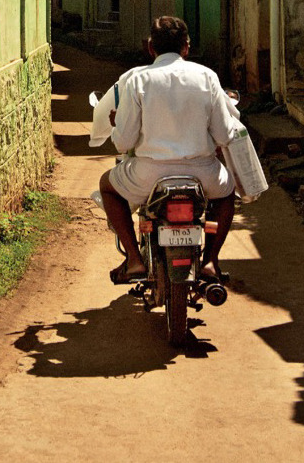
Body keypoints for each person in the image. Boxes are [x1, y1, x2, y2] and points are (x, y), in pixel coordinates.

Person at [99, 15, 242, 285]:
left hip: (149, 175)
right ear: (186, 47)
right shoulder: (207, 77)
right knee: (226, 193)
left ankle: (133, 259)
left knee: (106, 185)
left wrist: (116, 125)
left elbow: (124, 142)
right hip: (202, 174)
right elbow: (224, 135)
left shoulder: (138, 80)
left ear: (151, 48)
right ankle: (211, 261)